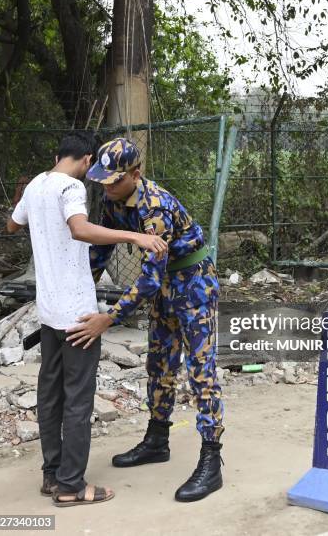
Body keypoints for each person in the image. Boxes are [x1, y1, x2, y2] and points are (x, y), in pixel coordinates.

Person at [6, 131, 167, 507]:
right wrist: (135, 237)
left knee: (50, 396)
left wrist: (25, 200)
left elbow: (13, 226)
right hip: (79, 314)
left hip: (48, 313)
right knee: (78, 401)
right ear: (87, 159)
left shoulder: (36, 187)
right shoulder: (70, 188)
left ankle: (52, 475)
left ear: (58, 153)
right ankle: (71, 486)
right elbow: (79, 229)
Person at [66, 137, 224, 503]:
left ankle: (211, 460)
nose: (106, 186)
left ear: (135, 174)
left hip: (194, 284)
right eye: (102, 180)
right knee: (159, 364)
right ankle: (157, 440)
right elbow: (101, 250)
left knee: (201, 370)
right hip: (167, 285)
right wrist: (80, 293)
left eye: (114, 180)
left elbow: (149, 279)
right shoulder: (113, 198)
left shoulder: (154, 207)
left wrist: (108, 318)